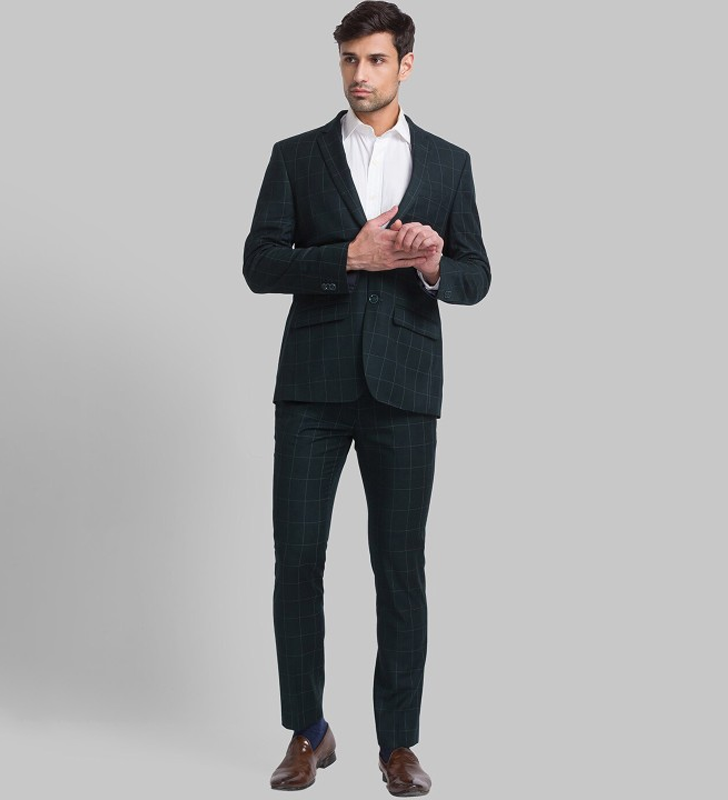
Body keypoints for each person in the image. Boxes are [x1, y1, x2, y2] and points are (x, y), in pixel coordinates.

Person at [243, 1, 490, 795]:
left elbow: (477, 275)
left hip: (405, 388)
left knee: (400, 567)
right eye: (349, 59)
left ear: (405, 65)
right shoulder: (296, 156)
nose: (360, 74)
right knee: (297, 562)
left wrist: (432, 264)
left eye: (376, 59)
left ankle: (398, 745)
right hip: (311, 389)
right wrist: (347, 255)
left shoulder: (449, 163)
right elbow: (258, 263)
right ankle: (308, 732)